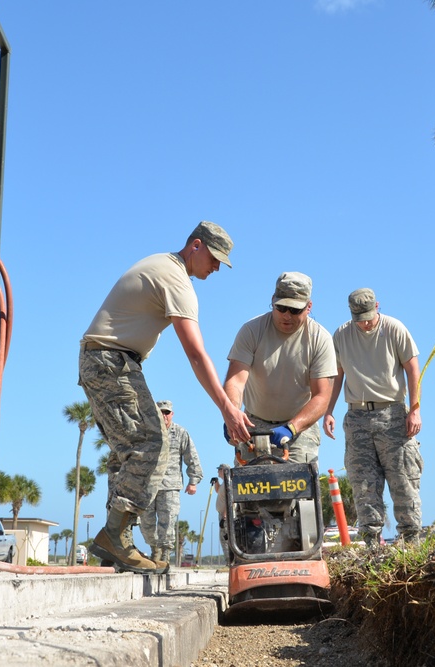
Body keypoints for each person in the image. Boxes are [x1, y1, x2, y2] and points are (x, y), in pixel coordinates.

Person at [79, 220, 251, 575]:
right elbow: (196, 353)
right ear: (196, 246)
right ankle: (114, 536)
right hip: (112, 361)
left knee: (129, 450)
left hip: (104, 359)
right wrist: (228, 408)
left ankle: (114, 542)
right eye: (215, 258)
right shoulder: (176, 278)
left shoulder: (161, 264)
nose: (217, 267)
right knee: (154, 443)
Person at [322, 288, 423, 544]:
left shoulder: (394, 328)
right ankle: (371, 547)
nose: (365, 323)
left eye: (368, 316)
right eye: (359, 318)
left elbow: (413, 369)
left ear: (377, 306)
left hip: (393, 414)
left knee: (403, 480)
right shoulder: (342, 334)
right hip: (357, 417)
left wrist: (415, 409)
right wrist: (329, 411)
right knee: (363, 484)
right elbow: (337, 374)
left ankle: (411, 542)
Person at [223, 271, 336, 465]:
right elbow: (235, 380)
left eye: (294, 310)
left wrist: (291, 428)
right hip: (254, 423)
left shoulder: (320, 339)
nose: (286, 315)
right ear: (273, 300)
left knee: (298, 488)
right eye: (281, 307)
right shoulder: (251, 331)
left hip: (299, 427)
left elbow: (322, 397)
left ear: (308, 307)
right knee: (249, 488)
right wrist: (231, 414)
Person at [138, 400, 203, 564]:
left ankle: (165, 554)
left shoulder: (180, 433)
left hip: (170, 485)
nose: (164, 415)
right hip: (148, 485)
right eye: (160, 412)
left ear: (172, 414)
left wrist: (193, 481)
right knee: (146, 522)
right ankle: (154, 549)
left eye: (166, 412)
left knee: (167, 522)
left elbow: (192, 457)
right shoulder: (147, 432)